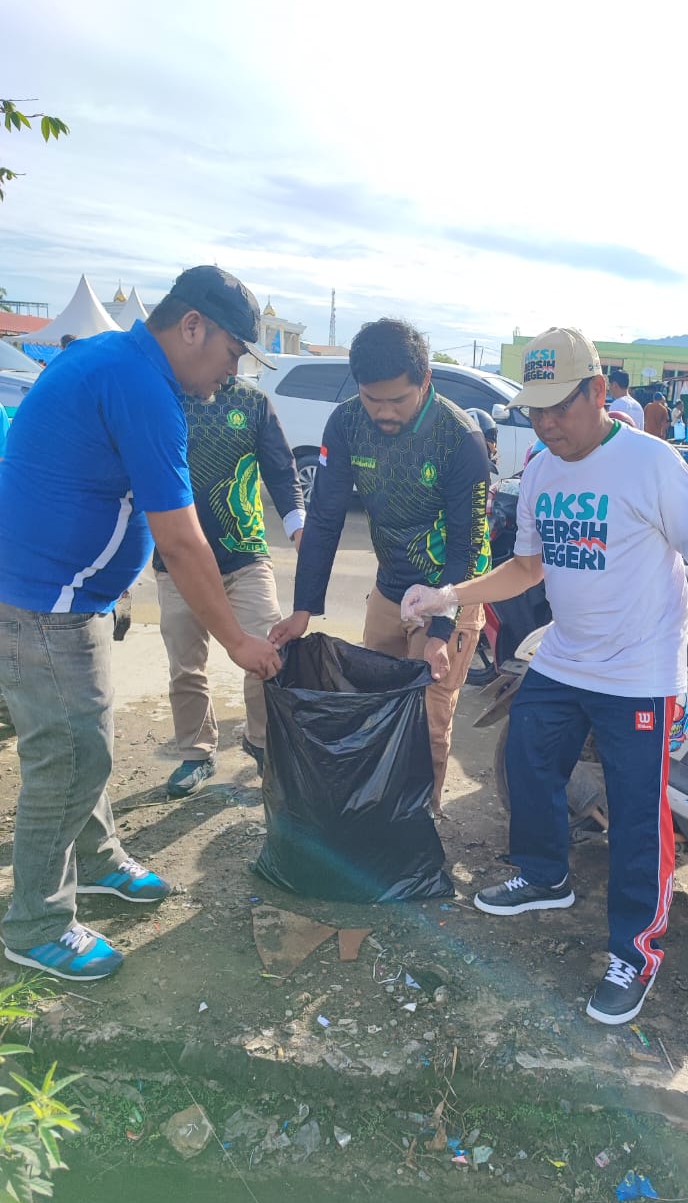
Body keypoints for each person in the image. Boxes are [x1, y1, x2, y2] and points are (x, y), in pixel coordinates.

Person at [400, 327, 688, 1025]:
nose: (546, 423)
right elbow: (528, 567)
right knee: (527, 761)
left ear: (598, 392)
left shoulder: (651, 463)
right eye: (535, 410)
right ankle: (546, 873)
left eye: (559, 407)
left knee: (638, 818)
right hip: (566, 655)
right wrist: (450, 596)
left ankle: (634, 951)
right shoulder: (545, 470)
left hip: (640, 671)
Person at [0, 265, 282, 981]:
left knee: (82, 740)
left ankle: (95, 862)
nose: (230, 374)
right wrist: (240, 642)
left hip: (69, 598)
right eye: (232, 354)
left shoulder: (117, 362)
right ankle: (35, 922)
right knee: (69, 757)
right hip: (44, 603)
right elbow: (183, 542)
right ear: (193, 327)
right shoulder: (140, 385)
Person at [270, 318, 490, 815]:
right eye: (374, 400)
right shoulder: (346, 424)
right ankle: (379, 813)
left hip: (450, 590)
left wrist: (440, 627)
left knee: (430, 716)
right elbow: (324, 519)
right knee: (378, 705)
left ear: (425, 381)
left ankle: (419, 821)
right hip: (389, 590)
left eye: (398, 400)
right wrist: (304, 609)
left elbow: (466, 544)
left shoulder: (460, 439)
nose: (385, 412)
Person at [158, 381, 305, 797]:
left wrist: (298, 529)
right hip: (178, 563)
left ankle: (260, 742)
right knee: (186, 664)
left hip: (244, 553)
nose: (231, 365)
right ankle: (196, 752)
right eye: (230, 349)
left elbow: (281, 469)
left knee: (269, 653)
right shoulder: (162, 395)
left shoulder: (253, 402)